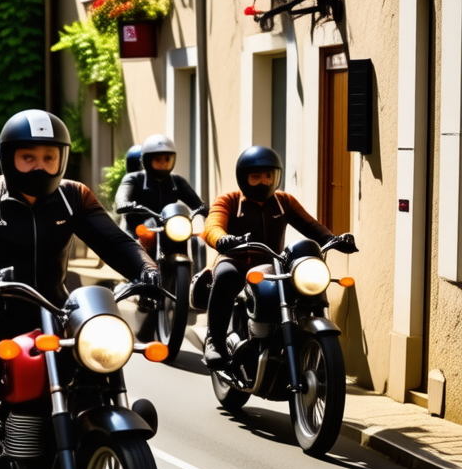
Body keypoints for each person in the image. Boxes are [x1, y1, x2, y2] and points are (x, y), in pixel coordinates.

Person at [0, 111, 158, 469]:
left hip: (53, 310)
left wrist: (147, 268)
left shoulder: (74, 196)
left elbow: (116, 242)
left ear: (62, 158)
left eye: (49, 157)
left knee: (98, 364)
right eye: (28, 157)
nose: (40, 166)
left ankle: (96, 438)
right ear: (9, 158)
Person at [200, 146, 356, 367]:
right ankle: (214, 341)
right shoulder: (230, 201)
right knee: (226, 275)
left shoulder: (284, 201)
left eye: (269, 175)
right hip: (237, 260)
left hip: (272, 264)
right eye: (256, 177)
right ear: (243, 178)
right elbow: (212, 227)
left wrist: (334, 239)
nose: (264, 181)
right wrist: (222, 239)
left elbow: (311, 226)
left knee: (301, 285)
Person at [114, 134, 205, 251]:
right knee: (130, 251)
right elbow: (121, 198)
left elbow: (198, 205)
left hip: (169, 228)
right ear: (147, 160)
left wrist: (207, 210)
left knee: (192, 241)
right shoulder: (134, 179)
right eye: (158, 159)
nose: (163, 163)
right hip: (137, 231)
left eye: (167, 158)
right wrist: (123, 203)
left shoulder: (177, 181)